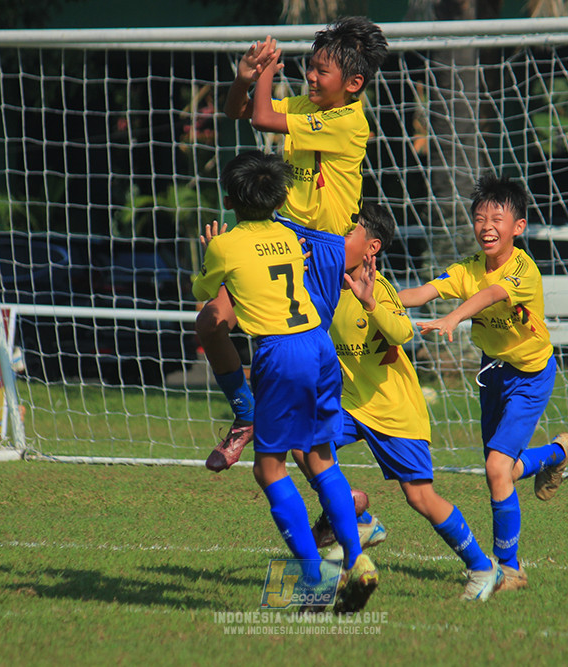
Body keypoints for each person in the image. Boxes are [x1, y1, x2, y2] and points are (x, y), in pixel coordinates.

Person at [199, 17, 389, 472]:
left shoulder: (347, 120)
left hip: (321, 250)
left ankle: (345, 509)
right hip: (280, 234)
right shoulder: (308, 104)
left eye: (321, 71)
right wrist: (245, 78)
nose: (310, 76)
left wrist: (266, 67)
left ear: (354, 82)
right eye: (309, 67)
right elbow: (239, 112)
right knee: (210, 321)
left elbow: (264, 116)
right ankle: (245, 414)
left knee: (291, 382)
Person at [192, 150, 378, 613]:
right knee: (320, 458)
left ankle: (316, 580)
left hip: (281, 353)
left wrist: (209, 258)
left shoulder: (226, 244)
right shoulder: (290, 236)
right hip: (319, 346)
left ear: (230, 199)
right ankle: (358, 561)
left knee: (268, 468)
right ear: (279, 197)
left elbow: (207, 299)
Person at [300, 203, 506, 600]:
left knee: (420, 497)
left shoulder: (379, 288)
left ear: (370, 247)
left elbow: (401, 333)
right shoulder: (324, 282)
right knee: (304, 444)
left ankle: (483, 568)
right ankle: (355, 517)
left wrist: (370, 303)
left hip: (395, 411)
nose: (336, 237)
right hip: (348, 403)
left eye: (348, 231)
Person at [397, 173, 568, 593]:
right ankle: (554, 454)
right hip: (493, 374)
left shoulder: (522, 270)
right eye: (479, 217)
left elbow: (493, 294)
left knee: (497, 468)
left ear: (518, 226)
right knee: (501, 470)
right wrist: (371, 294)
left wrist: (455, 317)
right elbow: (425, 292)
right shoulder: (468, 268)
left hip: (531, 376)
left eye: (497, 216)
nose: (486, 225)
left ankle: (510, 569)